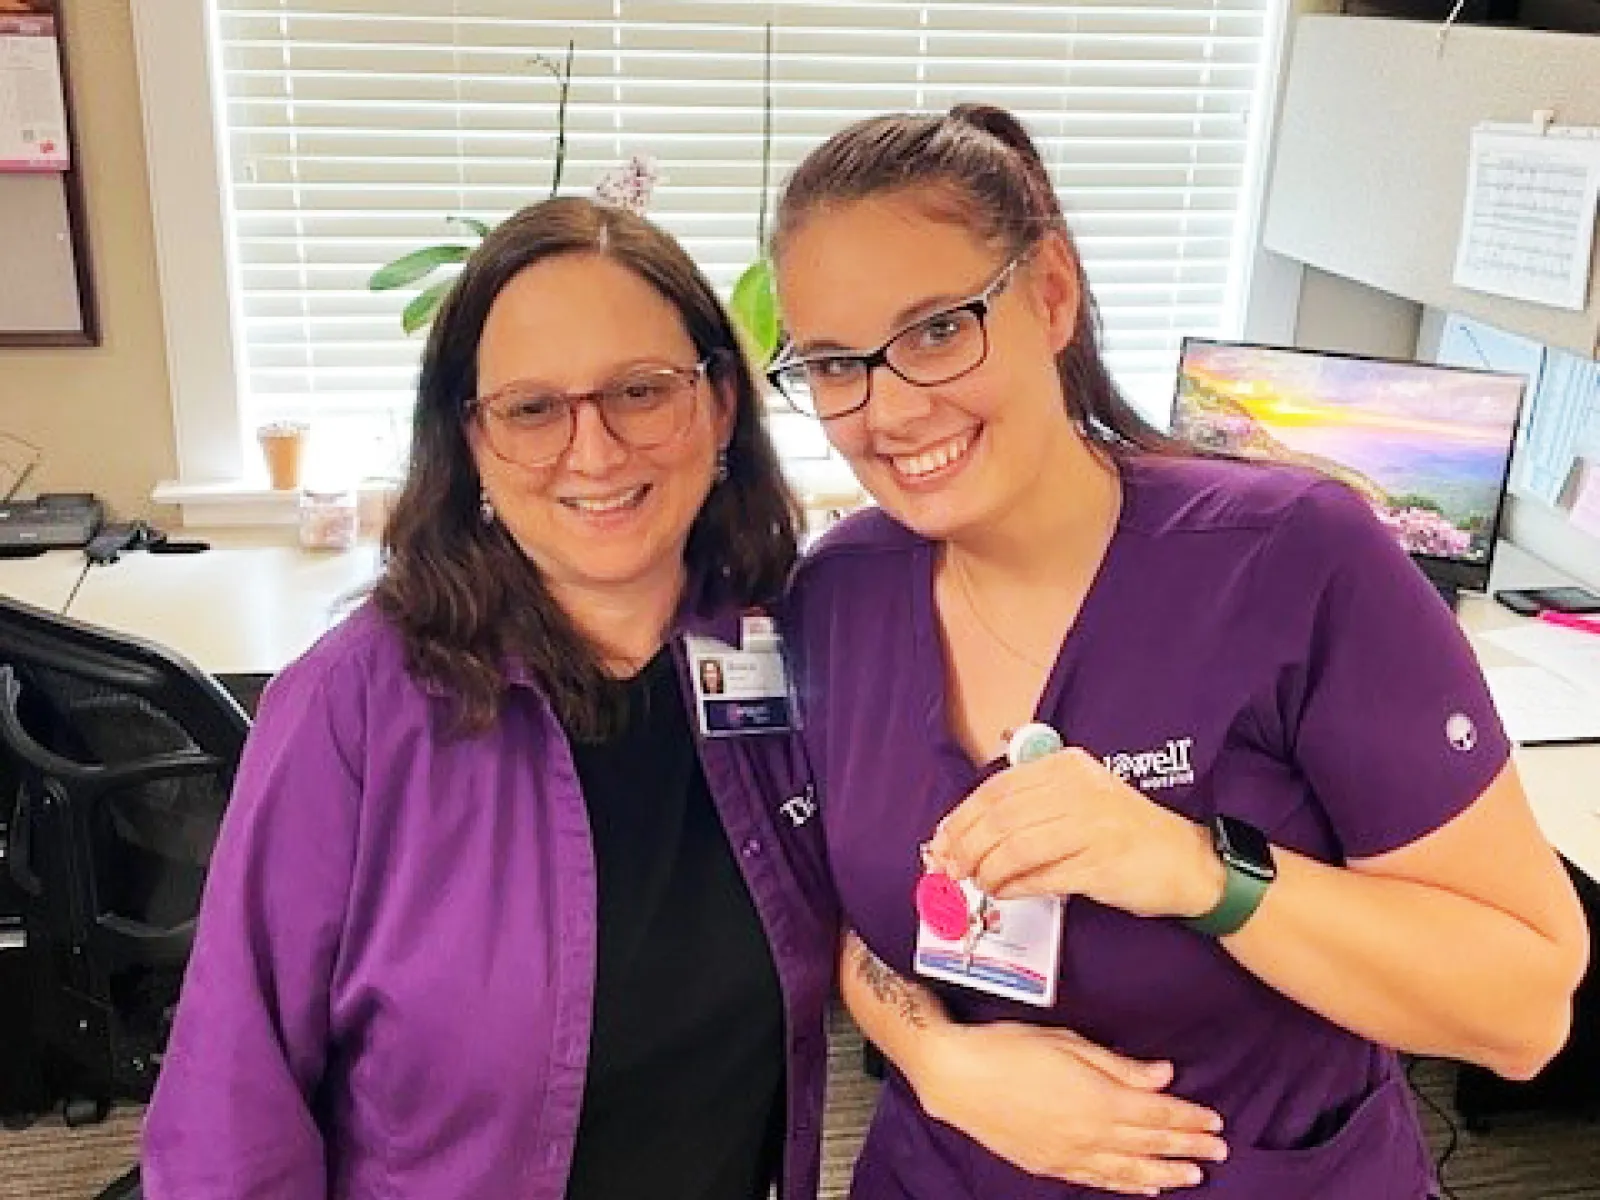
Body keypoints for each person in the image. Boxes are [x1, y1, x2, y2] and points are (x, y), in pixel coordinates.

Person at [770, 105, 1590, 1199]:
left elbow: (1523, 1012)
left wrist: (1199, 873)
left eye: (936, 330)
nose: (889, 407)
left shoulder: (1295, 564)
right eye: (834, 363)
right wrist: (939, 1061)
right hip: (946, 1171)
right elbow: (834, 916)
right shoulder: (835, 598)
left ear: (1050, 294)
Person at [141, 197, 839, 1200]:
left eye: (640, 391)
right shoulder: (351, 710)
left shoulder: (794, 657)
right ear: (469, 439)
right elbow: (226, 1110)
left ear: (720, 403)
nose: (594, 453)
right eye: (531, 408)